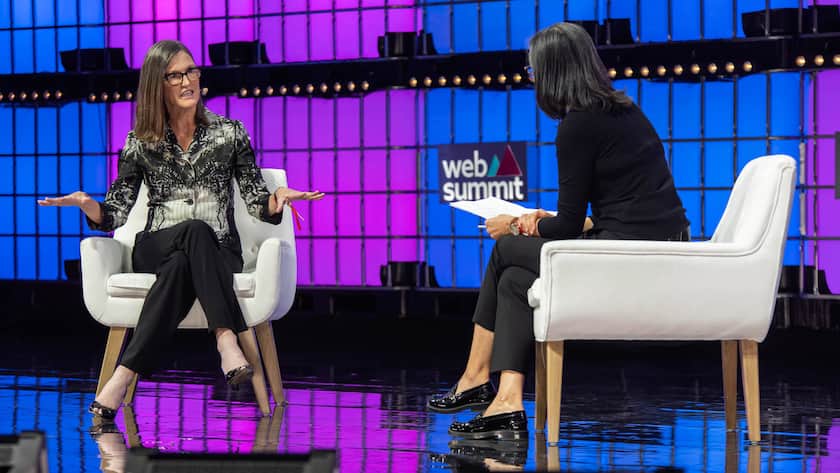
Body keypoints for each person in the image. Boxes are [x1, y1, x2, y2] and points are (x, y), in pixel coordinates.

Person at [427, 22, 690, 440]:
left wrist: (515, 223)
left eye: (532, 70)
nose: (531, 80)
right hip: (649, 243)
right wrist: (540, 217)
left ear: (552, 72)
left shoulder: (579, 125)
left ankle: (475, 377)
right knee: (515, 280)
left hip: (631, 255)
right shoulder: (623, 110)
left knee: (506, 250)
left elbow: (567, 225)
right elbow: (615, 209)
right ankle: (507, 400)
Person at [38, 40, 324, 420]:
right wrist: (87, 204)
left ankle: (123, 375)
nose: (189, 80)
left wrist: (278, 199)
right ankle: (225, 337)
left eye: (192, 71)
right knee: (190, 231)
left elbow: (256, 200)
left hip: (217, 248)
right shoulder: (140, 142)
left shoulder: (230, 133)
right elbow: (116, 213)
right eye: (176, 75)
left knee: (184, 259)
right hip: (154, 246)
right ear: (158, 84)